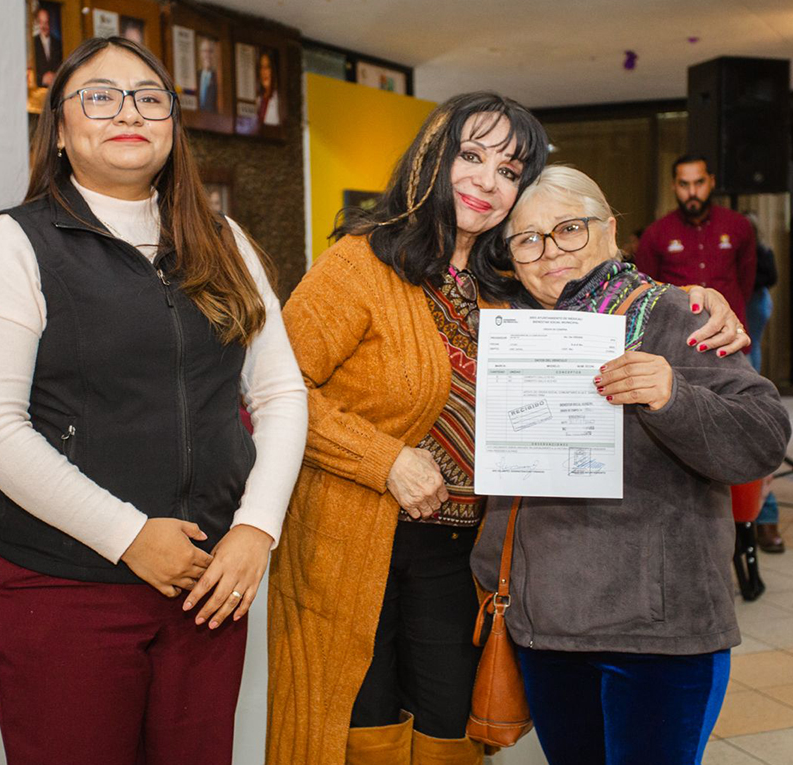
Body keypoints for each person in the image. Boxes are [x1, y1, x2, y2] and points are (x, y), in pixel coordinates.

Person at [267, 93, 748, 765]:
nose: (486, 181)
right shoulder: (359, 266)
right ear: (432, 158)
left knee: (450, 729)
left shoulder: (509, 285)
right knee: (357, 727)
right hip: (357, 539)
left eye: (509, 170)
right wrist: (384, 459)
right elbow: (276, 389)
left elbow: (603, 290)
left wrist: (697, 299)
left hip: (460, 553)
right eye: (470, 155)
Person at [0, 36, 306, 764]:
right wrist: (129, 535)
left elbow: (278, 391)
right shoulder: (15, 243)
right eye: (100, 97)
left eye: (149, 98)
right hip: (65, 586)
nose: (128, 112)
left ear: (173, 124)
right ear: (59, 128)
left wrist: (256, 529)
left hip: (207, 583)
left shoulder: (222, 240)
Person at [472, 166, 790, 765]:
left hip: (659, 635)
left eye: (569, 228)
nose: (550, 251)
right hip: (548, 628)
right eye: (528, 239)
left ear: (610, 229)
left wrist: (674, 396)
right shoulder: (507, 331)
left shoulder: (679, 316)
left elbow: (763, 439)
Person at [635, 154, 757, 330]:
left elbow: (747, 281)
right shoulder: (655, 233)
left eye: (699, 183)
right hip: (677, 333)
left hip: (730, 330)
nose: (692, 192)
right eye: (684, 184)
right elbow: (647, 289)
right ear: (673, 186)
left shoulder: (738, 225)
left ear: (712, 182)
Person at [744, 212, 785, 552]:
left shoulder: (761, 251)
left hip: (747, 323)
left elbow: (769, 278)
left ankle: (764, 515)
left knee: (752, 426)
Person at [32, 7, 62, 88]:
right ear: (37, 23)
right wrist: (42, 79)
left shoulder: (58, 43)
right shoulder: (33, 44)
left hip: (55, 88)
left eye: (46, 22)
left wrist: (55, 77)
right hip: (38, 90)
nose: (44, 26)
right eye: (41, 22)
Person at [257, 50, 281, 127]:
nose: (264, 72)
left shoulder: (280, 99)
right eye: (261, 67)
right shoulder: (258, 98)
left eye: (267, 67)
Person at [197, 35, 219, 112]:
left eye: (210, 51)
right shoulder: (195, 76)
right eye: (204, 51)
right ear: (200, 54)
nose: (207, 55)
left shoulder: (218, 78)